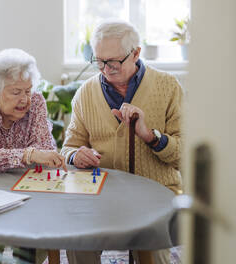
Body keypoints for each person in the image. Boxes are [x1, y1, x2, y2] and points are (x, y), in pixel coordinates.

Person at [61, 20, 183, 264]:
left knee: (154, 251)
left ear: (136, 53)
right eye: (99, 61)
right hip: (100, 194)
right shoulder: (85, 93)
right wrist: (76, 155)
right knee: (76, 239)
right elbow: (68, 147)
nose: (106, 69)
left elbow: (184, 154)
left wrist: (150, 136)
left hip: (156, 193)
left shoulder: (168, 87)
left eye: (114, 61)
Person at [0, 48, 67, 173]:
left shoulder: (36, 102)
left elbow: (44, 149)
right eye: (16, 92)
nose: (25, 99)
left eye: (28, 91)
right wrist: (27, 155)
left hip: (19, 185)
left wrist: (33, 155)